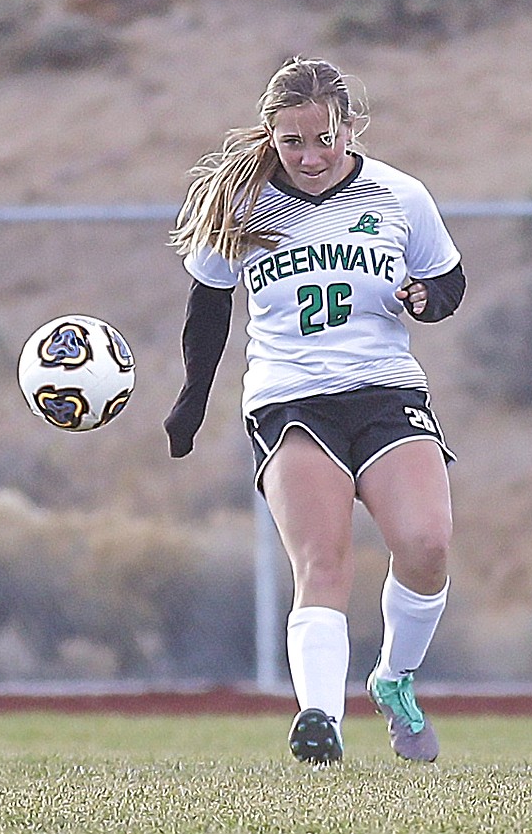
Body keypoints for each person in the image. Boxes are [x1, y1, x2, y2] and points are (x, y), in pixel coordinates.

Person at [164, 56, 465, 764]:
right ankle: (320, 719)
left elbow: (449, 280)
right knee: (321, 561)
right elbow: (208, 310)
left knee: (427, 545)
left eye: (323, 137)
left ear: (349, 125)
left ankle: (393, 678)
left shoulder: (399, 193)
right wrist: (190, 402)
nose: (309, 155)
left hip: (387, 390)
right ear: (271, 135)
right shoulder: (242, 201)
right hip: (290, 399)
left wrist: (427, 299)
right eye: (291, 142)